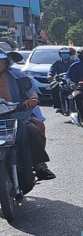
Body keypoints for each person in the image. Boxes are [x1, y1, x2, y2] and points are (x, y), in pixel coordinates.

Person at [0, 50, 55, 182]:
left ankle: (38, 165)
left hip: (17, 117)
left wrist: (32, 99)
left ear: (6, 62)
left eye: (0, 62)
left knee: (34, 128)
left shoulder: (18, 76)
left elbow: (33, 92)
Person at [49, 47, 73, 114]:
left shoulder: (74, 62)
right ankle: (58, 106)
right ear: (60, 55)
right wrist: (50, 76)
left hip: (72, 81)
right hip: (61, 81)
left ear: (69, 54)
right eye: (63, 54)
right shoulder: (56, 63)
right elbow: (51, 71)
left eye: (66, 53)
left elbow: (78, 70)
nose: (65, 55)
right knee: (53, 88)